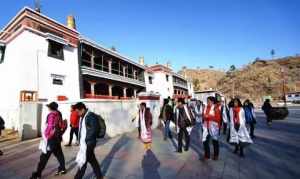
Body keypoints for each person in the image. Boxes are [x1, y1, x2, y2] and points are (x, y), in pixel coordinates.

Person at [30, 102, 66, 179]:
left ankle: (38, 174)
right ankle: (63, 168)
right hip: (57, 138)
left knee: (44, 157)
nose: (48, 108)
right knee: (59, 154)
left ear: (50, 108)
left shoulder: (51, 115)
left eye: (49, 107)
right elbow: (60, 125)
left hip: (51, 139)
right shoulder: (59, 113)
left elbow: (50, 127)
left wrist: (46, 136)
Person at [73, 102, 104, 179]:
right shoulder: (84, 116)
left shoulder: (90, 116)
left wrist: (85, 139)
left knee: (83, 162)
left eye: (78, 111)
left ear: (82, 109)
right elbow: (83, 130)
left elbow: (94, 129)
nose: (77, 113)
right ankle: (99, 176)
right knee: (92, 160)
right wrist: (80, 139)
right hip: (86, 143)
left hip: (88, 143)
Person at [202, 96, 220, 160]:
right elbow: (203, 115)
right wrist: (205, 117)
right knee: (205, 140)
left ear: (212, 101)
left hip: (213, 126)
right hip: (205, 126)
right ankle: (207, 155)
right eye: (207, 101)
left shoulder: (216, 108)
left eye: (209, 101)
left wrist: (209, 116)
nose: (207, 102)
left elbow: (218, 119)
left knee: (215, 141)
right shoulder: (205, 107)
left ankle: (216, 155)